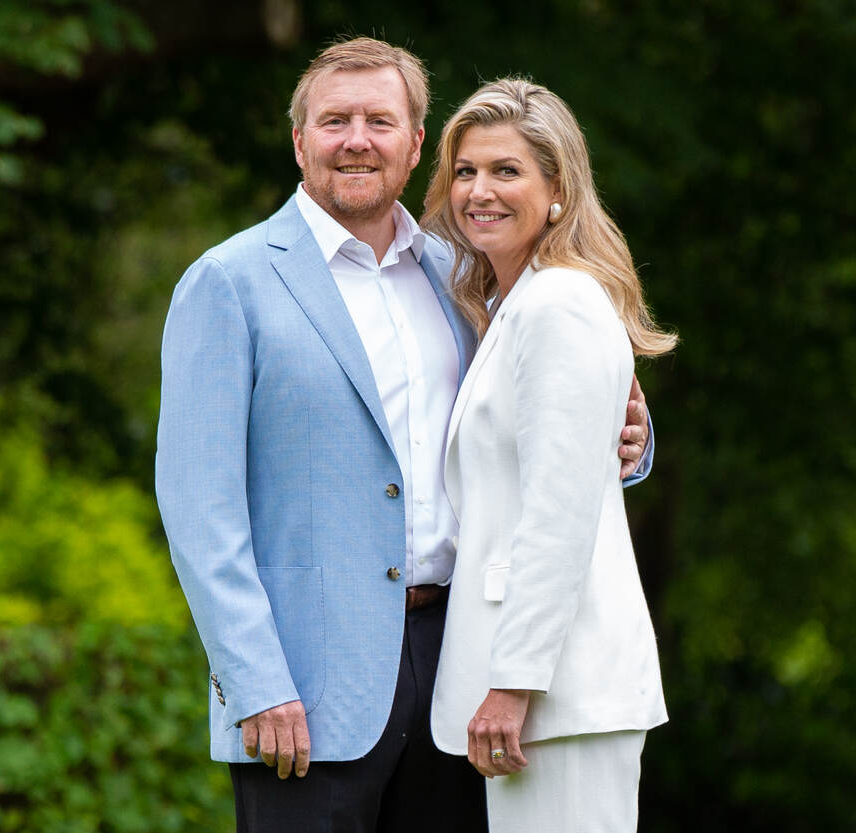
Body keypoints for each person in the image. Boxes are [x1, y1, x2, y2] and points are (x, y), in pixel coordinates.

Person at [155, 40, 653, 833]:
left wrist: (629, 434)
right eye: (335, 121)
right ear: (299, 140)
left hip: (459, 666)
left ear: (417, 143)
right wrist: (255, 682)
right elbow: (197, 508)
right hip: (304, 693)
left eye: (380, 120)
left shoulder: (463, 273)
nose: (357, 139)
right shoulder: (230, 281)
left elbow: (530, 427)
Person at [422, 77, 677, 833]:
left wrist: (514, 681)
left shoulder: (559, 304)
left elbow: (556, 517)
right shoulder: (513, 304)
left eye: (507, 171)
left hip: (559, 691)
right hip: (545, 695)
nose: (479, 191)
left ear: (558, 188)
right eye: (465, 171)